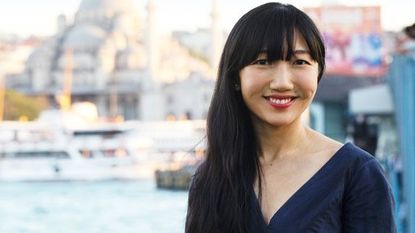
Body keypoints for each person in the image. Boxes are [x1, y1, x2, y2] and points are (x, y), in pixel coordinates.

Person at [185, 2, 396, 233]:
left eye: (300, 62)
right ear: (235, 76)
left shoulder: (358, 174)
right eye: (263, 62)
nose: (283, 83)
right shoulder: (211, 178)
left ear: (318, 73)